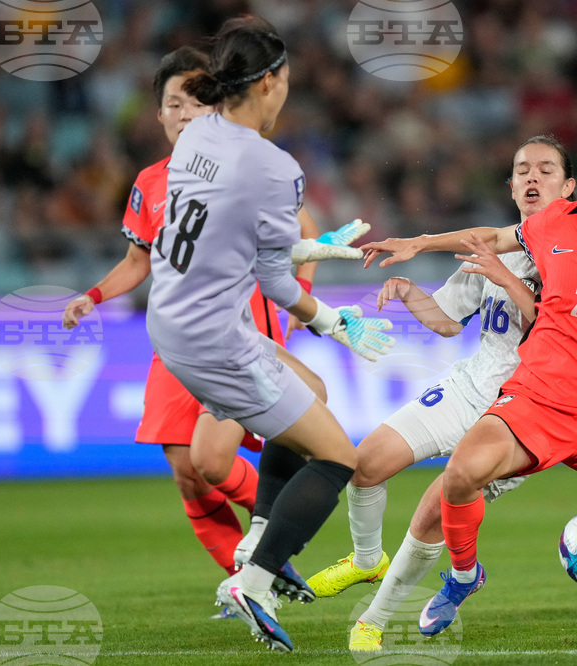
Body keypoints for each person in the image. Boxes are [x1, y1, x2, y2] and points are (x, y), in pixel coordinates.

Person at [361, 102, 577, 649]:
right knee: (462, 473)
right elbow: (488, 235)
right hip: (537, 400)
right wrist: (420, 242)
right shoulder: (555, 222)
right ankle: (463, 575)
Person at [60, 46, 366, 615]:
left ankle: (258, 555)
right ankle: (256, 563)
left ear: (214, 103)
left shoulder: (222, 158)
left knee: (211, 460)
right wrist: (321, 315)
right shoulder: (189, 172)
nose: (183, 113)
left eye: (193, 101)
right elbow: (146, 258)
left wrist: (307, 289)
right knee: (202, 466)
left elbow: (295, 238)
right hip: (214, 335)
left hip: (212, 329)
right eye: (173, 103)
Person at [145, 17, 394, 653]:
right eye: (286, 81)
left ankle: (258, 540)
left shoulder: (197, 133)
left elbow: (244, 247)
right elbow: (277, 281)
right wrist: (332, 321)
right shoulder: (275, 167)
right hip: (214, 338)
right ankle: (252, 580)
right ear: (270, 83)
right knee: (339, 457)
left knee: (306, 398)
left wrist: (311, 250)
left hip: (171, 318)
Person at [304, 136, 577, 653]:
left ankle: (375, 618)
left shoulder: (575, 250)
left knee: (435, 506)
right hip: (471, 384)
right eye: (522, 170)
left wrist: (502, 274)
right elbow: (450, 323)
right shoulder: (497, 247)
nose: (532, 178)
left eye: (545, 170)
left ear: (569, 186)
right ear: (512, 185)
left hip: (527, 409)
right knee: (366, 462)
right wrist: (412, 293)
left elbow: (552, 329)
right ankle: (366, 560)